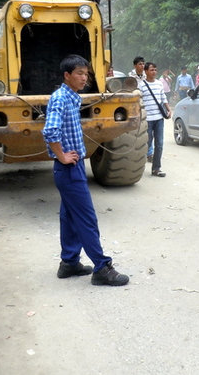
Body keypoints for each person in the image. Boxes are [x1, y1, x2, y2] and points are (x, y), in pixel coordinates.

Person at [42, 54, 129, 287]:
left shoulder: (72, 98)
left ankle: (69, 263)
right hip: (68, 167)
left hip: (72, 165)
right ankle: (102, 267)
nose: (84, 77)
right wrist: (61, 155)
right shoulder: (60, 98)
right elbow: (50, 131)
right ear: (67, 76)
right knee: (86, 218)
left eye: (86, 73)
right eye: (79, 73)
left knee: (69, 216)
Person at [141, 62, 172, 177]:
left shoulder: (159, 84)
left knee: (159, 144)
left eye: (155, 70)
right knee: (147, 144)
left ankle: (156, 169)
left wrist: (168, 109)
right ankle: (139, 168)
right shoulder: (141, 85)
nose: (154, 72)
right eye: (151, 70)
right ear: (146, 71)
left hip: (159, 119)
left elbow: (163, 97)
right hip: (147, 120)